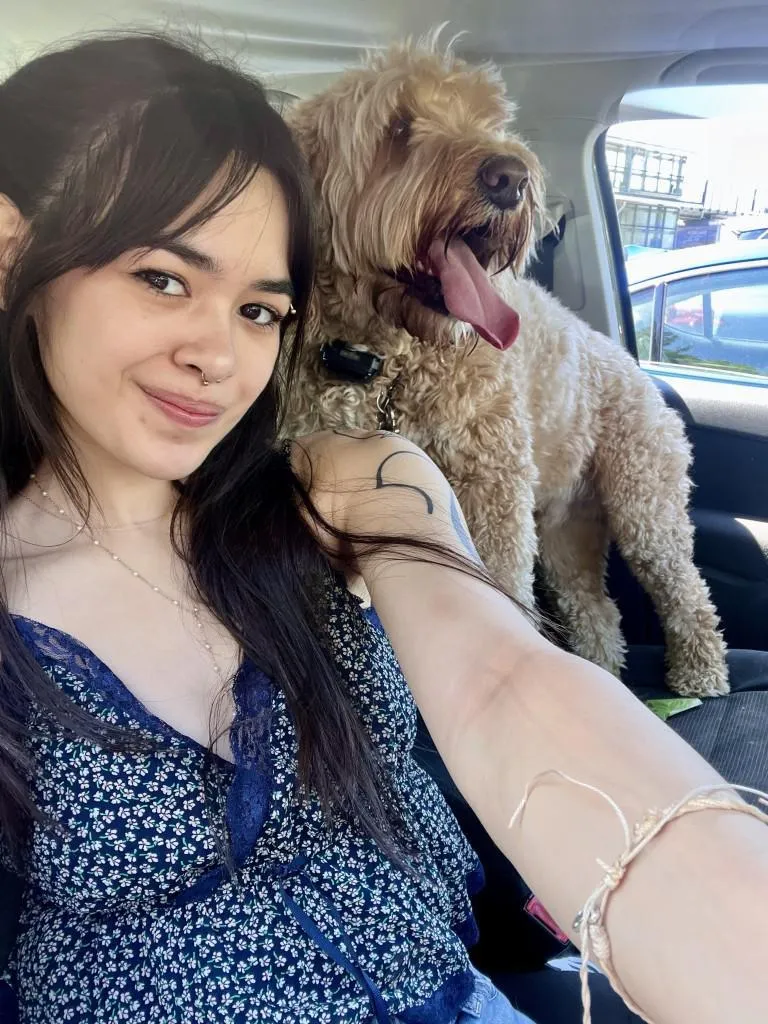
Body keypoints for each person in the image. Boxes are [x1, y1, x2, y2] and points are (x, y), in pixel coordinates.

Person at [0, 32, 765, 1024]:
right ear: (12, 253)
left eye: (260, 310)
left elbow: (502, 676)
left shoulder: (345, 484)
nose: (218, 357)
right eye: (165, 279)